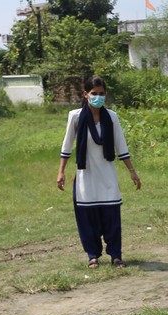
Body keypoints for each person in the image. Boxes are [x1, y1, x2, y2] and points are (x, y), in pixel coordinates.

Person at [57, 76, 141, 269]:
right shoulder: (76, 116)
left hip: (107, 174)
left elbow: (121, 146)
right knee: (88, 217)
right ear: (85, 94)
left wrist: (132, 171)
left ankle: (116, 255)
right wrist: (61, 172)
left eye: (101, 94)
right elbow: (67, 146)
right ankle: (92, 255)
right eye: (94, 93)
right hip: (85, 175)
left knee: (112, 217)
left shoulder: (111, 117)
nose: (98, 97)